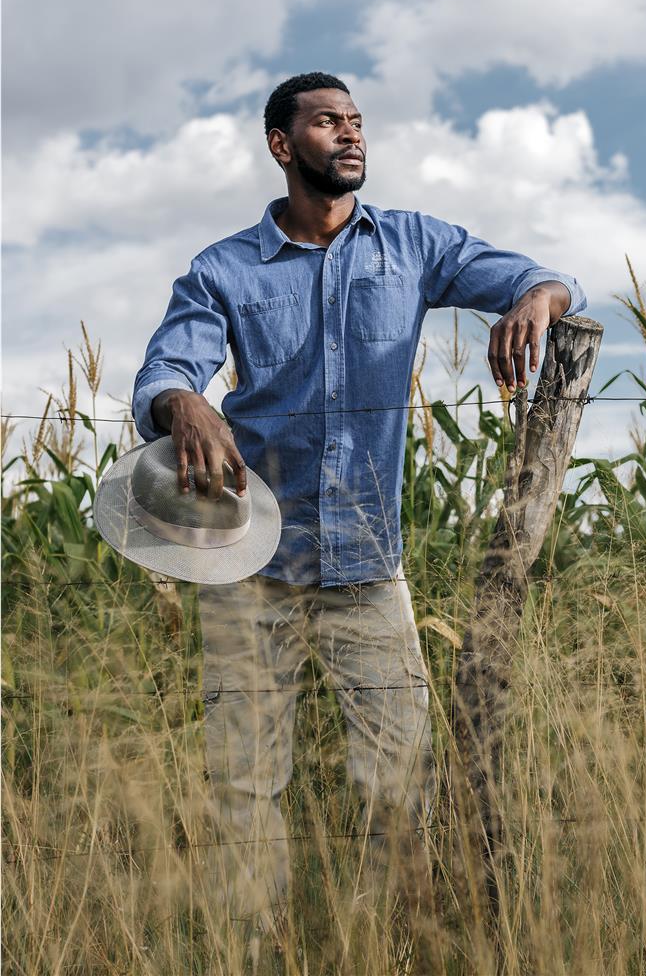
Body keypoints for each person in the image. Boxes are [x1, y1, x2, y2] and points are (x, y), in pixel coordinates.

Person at [131, 71, 587, 958]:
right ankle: (252, 953)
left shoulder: (412, 245)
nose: (349, 135)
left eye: (356, 121)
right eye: (327, 121)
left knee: (398, 786)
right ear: (280, 144)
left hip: (370, 573)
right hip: (250, 575)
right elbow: (165, 369)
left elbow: (541, 277)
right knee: (245, 789)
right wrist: (183, 403)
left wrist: (539, 298)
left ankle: (382, 946)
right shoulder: (222, 270)